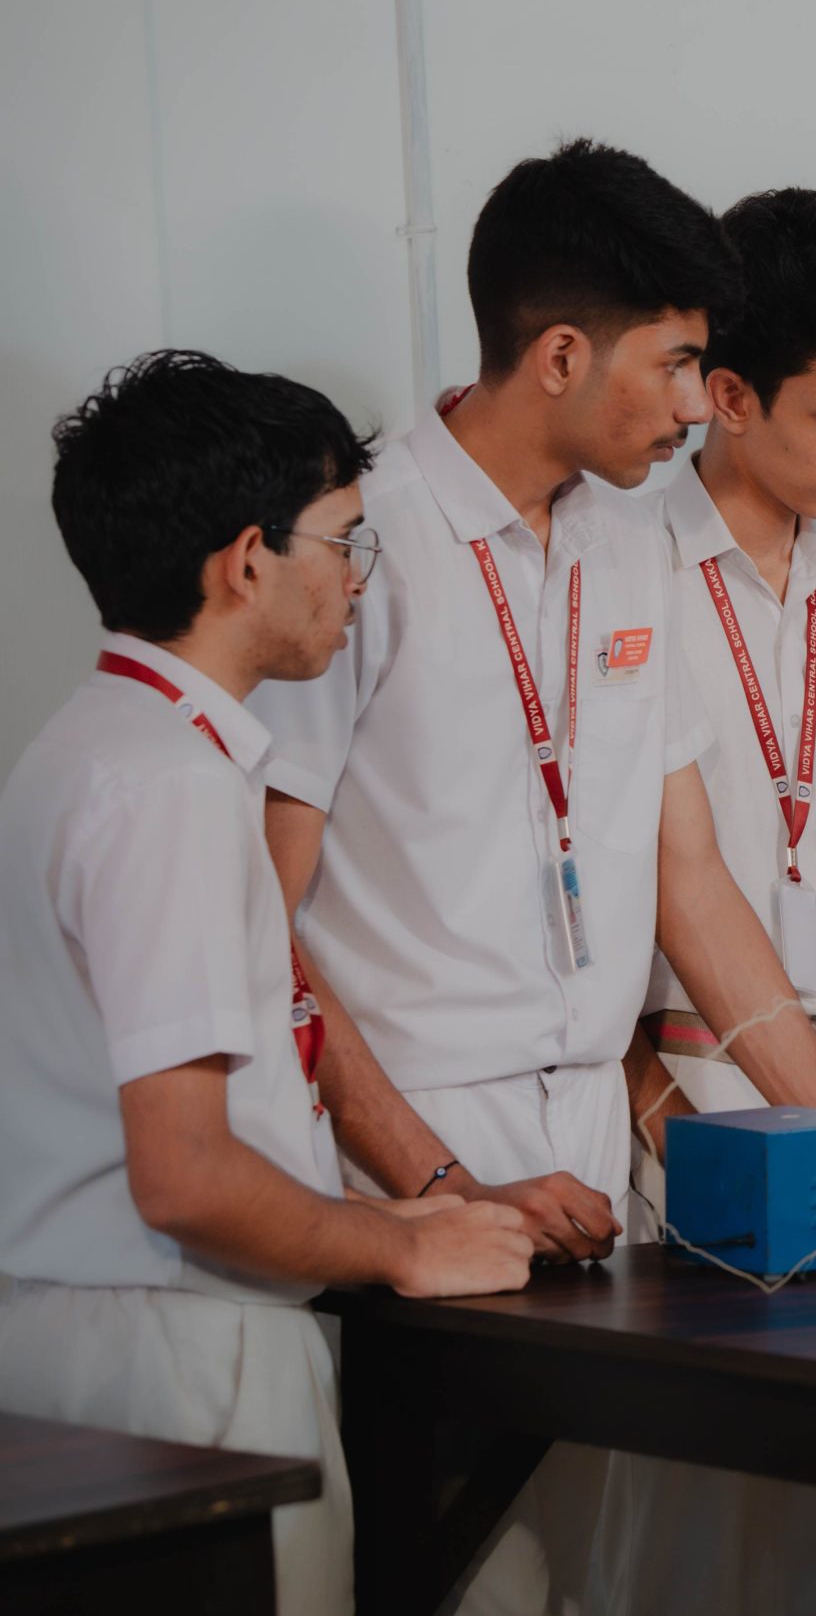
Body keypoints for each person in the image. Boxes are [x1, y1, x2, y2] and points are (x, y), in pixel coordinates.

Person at [254, 140, 816, 1614]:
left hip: (589, 1152)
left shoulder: (632, 545)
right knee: (459, 1575)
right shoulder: (362, 544)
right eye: (675, 365)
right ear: (562, 357)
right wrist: (436, 1189)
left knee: (600, 1579)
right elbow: (260, 924)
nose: (693, 405)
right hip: (414, 1148)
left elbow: (689, 878)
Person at [0, 352, 533, 1616]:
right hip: (187, 1357)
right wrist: (403, 1249)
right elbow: (184, 1176)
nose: (358, 579)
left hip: (78, 1337)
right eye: (344, 542)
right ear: (247, 562)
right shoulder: (172, 789)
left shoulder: (84, 748)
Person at [606, 186, 816, 1616]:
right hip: (692, 1080)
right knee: (685, 1516)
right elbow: (624, 867)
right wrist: (644, 1096)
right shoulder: (622, 568)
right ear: (728, 396)